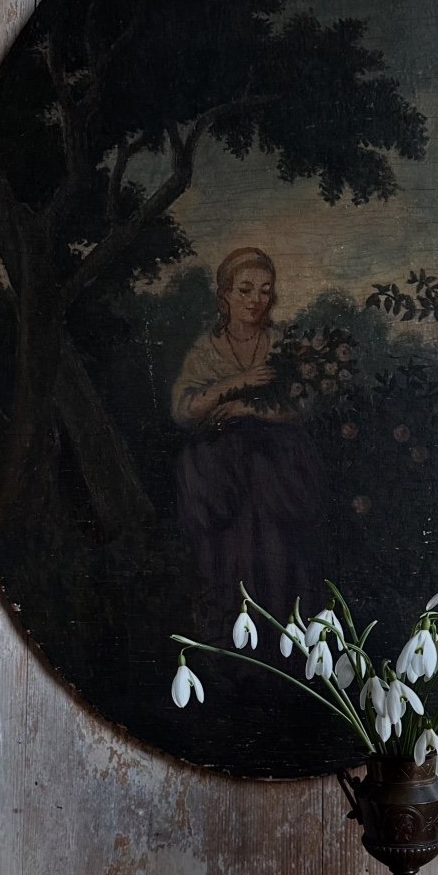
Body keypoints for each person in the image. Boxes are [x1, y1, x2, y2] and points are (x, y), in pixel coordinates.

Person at [171, 247, 324, 625]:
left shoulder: (282, 343)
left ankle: (285, 634)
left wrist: (248, 408)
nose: (255, 300)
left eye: (265, 290)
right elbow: (182, 409)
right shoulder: (207, 349)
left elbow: (303, 404)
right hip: (218, 475)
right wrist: (238, 382)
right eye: (244, 290)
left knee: (280, 551)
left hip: (279, 469)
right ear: (224, 294)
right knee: (228, 555)